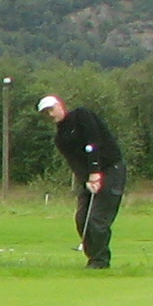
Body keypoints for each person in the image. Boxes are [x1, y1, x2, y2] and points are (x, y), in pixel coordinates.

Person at [39, 92, 126, 269]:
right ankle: (93, 258)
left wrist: (95, 172)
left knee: (97, 219)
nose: (50, 114)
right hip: (89, 177)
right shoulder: (60, 138)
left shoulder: (81, 115)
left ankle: (100, 262)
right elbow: (75, 163)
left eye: (52, 109)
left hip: (111, 169)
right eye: (46, 113)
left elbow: (93, 143)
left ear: (61, 105)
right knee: (82, 219)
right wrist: (87, 180)